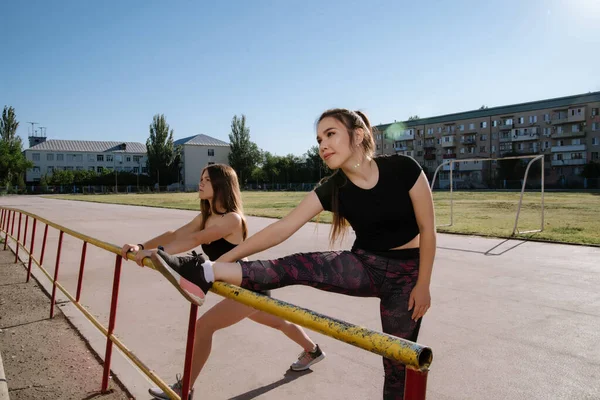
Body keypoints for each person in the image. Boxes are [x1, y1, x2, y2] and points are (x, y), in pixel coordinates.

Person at [150, 108, 436, 399]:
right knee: (298, 264)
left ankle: (208, 271)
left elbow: (428, 228)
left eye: (330, 134)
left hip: (407, 277)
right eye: (319, 138)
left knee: (397, 366)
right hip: (365, 265)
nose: (322, 145)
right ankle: (204, 271)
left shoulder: (403, 168)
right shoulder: (332, 187)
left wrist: (423, 284)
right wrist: (225, 258)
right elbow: (283, 227)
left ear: (358, 134)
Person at [121, 164, 326, 400]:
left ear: (221, 185)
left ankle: (184, 389)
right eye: (201, 178)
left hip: (247, 286)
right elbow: (176, 235)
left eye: (207, 180)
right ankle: (313, 350)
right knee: (280, 323)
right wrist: (141, 246)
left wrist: (158, 253)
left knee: (204, 327)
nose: (201, 183)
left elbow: (197, 239)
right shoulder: (206, 217)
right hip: (237, 287)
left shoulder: (232, 219)